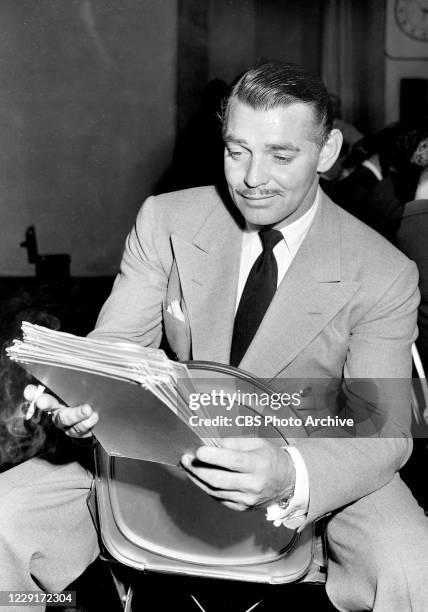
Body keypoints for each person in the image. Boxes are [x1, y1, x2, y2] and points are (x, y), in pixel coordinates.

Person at [1, 61, 428, 612]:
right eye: (236, 150)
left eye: (281, 155)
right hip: (157, 449)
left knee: (414, 565)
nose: (252, 178)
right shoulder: (167, 221)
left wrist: (292, 476)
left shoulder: (384, 271)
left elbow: (385, 428)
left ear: (326, 154)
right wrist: (82, 397)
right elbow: (117, 347)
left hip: (308, 452)